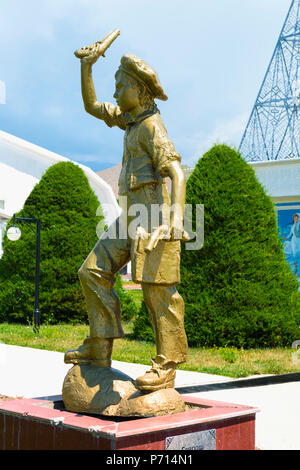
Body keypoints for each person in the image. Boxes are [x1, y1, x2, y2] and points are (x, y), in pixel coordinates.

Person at [64, 42, 189, 392]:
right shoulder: (129, 121)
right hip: (130, 214)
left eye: (120, 86)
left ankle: (166, 366)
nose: (116, 92)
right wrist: (86, 67)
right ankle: (99, 348)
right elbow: (91, 105)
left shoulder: (151, 126)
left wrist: (175, 222)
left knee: (158, 294)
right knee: (92, 271)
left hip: (152, 216)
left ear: (139, 89)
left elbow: (176, 173)